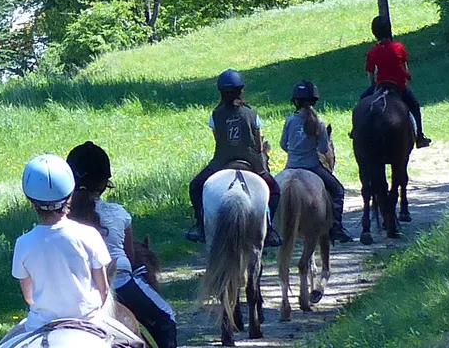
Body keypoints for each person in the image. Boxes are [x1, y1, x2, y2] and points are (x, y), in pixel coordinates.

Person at [67, 142, 178, 348]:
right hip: (120, 285)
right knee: (166, 317)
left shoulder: (62, 220)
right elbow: (131, 258)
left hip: (73, 291)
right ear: (104, 182)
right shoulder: (118, 214)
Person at [8, 154, 114, 335]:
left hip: (40, 326)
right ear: (70, 196)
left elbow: (29, 297)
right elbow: (104, 291)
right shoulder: (89, 235)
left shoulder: (23, 243)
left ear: (32, 203)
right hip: (90, 321)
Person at [184, 69, 280, 245]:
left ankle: (201, 226)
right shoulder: (252, 114)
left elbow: (218, 139)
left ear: (220, 92)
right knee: (275, 190)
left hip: (222, 161)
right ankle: (270, 229)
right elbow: (259, 145)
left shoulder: (215, 115)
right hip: (252, 161)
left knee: (195, 186)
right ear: (241, 90)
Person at [280, 80, 353, 243]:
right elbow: (324, 148)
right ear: (314, 101)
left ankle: (271, 227)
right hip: (312, 166)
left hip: (290, 166)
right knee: (338, 190)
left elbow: (283, 144)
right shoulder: (319, 123)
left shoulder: (289, 121)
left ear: (295, 101)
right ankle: (336, 227)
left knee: (273, 192)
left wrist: (295, 152)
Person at [362, 14, 432, 147]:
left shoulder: (373, 52)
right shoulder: (398, 47)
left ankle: (357, 130)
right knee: (414, 106)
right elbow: (405, 68)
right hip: (399, 86)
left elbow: (370, 75)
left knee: (362, 100)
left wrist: (373, 86)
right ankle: (420, 136)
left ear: (374, 33)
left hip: (381, 86)